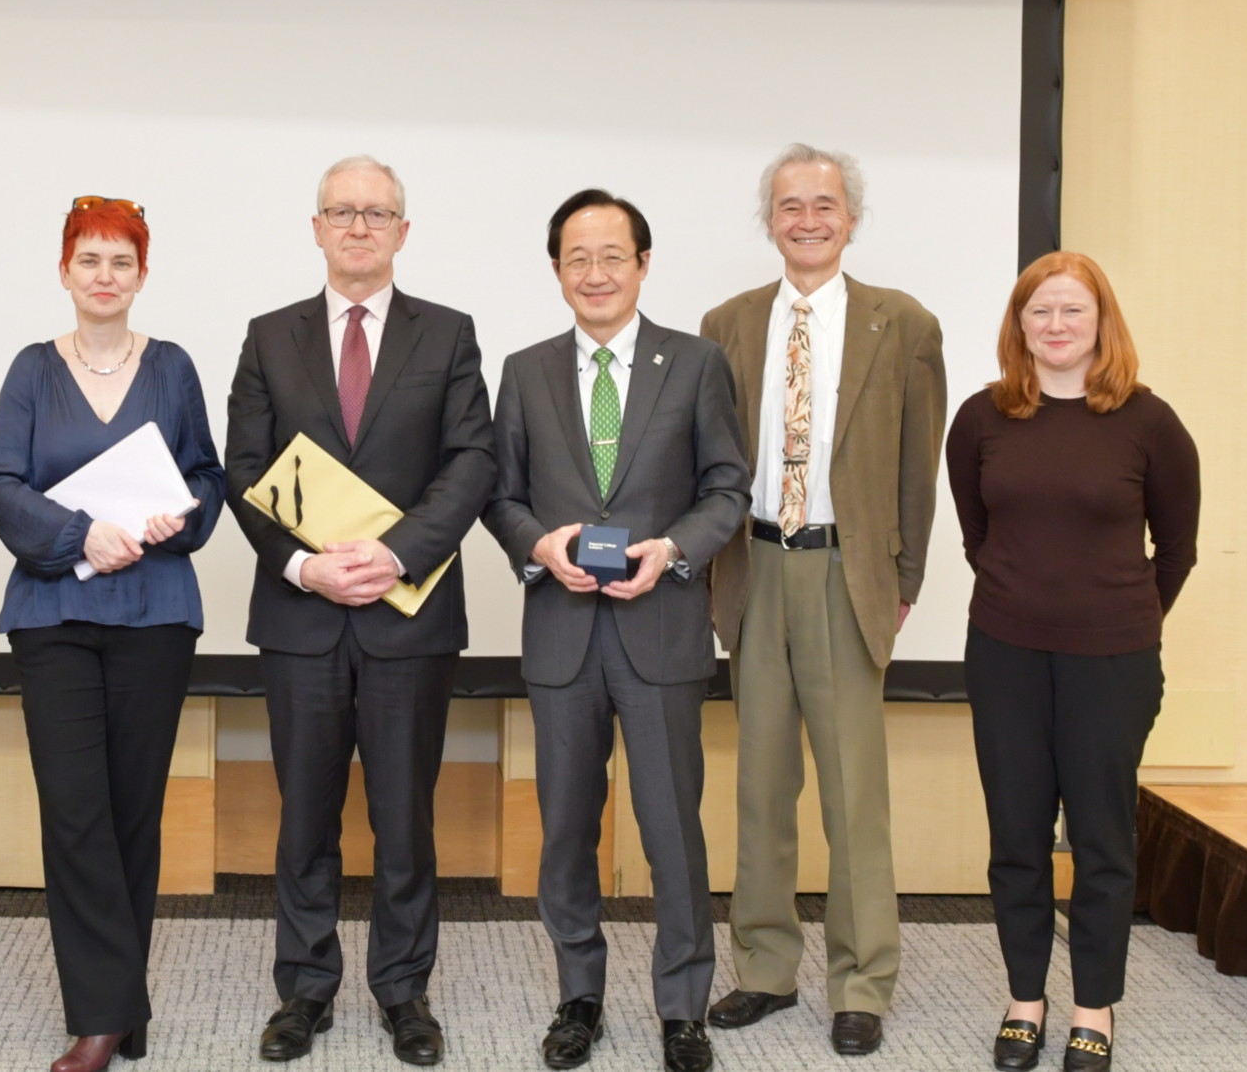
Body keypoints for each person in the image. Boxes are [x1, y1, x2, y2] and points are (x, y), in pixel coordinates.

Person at [226, 156, 494, 1067]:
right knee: (304, 815)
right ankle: (304, 991)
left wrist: (397, 553)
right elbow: (243, 468)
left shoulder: (448, 334)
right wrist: (305, 567)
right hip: (301, 617)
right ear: (316, 228)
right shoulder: (270, 337)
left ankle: (404, 990)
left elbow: (471, 461)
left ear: (402, 232)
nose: (358, 227)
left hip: (407, 614)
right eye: (341, 211)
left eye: (377, 213)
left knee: (404, 817)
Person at [484, 189, 749, 1072]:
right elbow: (501, 495)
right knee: (566, 828)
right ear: (557, 269)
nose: (594, 273)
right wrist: (538, 544)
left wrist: (672, 549)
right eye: (577, 258)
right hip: (562, 633)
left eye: (611, 256)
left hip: (661, 629)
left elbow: (726, 488)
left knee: (672, 827)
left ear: (642, 263)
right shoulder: (525, 370)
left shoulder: (696, 363)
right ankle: (579, 997)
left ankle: (682, 1008)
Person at [698, 146, 946, 1057]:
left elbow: (919, 464)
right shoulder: (727, 324)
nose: (808, 219)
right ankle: (765, 970)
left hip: (846, 573)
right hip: (756, 567)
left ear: (851, 218)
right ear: (770, 221)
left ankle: (862, 981)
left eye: (825, 204)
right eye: (790, 205)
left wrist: (903, 581)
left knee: (853, 795)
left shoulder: (903, 324)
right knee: (761, 787)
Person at [0, 197, 225, 1072]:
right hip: (54, 617)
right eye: (90, 260)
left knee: (131, 812)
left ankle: (119, 1005)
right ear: (64, 271)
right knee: (75, 811)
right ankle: (101, 1018)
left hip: (155, 613)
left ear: (142, 275)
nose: (105, 276)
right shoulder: (31, 368)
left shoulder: (173, 366)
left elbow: (207, 477)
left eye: (122, 261)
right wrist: (80, 535)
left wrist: (179, 517)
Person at [946, 251, 1197, 1072]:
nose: (1056, 325)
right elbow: (979, 537)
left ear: (1101, 323)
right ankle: (1025, 1000)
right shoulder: (980, 419)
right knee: (1016, 837)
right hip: (1005, 655)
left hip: (1112, 663)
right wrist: (1029, 602)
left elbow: (1177, 549)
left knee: (1100, 839)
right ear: (1019, 325)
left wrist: (1120, 619)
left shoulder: (1150, 423)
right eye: (1040, 311)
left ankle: (1095, 1006)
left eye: (1072, 311)